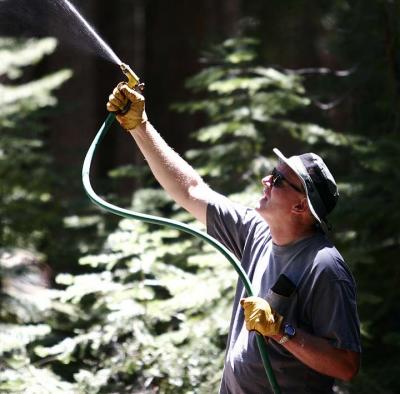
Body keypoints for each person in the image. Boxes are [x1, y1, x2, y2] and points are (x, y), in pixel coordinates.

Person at [107, 83, 361, 394]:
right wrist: (140, 125)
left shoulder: (324, 266)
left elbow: (346, 365)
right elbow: (191, 190)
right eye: (273, 172)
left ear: (300, 206)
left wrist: (282, 331)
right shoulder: (256, 232)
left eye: (279, 180)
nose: (266, 180)